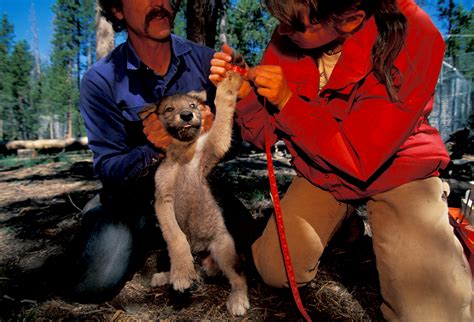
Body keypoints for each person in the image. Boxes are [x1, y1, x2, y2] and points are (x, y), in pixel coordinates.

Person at [210, 0, 473, 320]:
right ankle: (347, 225)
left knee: (431, 313)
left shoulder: (415, 33)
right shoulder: (288, 37)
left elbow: (361, 157)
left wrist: (288, 102)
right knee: (276, 271)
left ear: (350, 19)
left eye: (294, 25)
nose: (282, 31)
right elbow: (264, 136)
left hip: (398, 170)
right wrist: (245, 96)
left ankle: (440, 233)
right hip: (321, 171)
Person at [67, 0, 252, 303]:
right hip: (132, 199)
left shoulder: (206, 61)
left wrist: (231, 101)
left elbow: (242, 137)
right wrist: (154, 148)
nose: (160, 3)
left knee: (252, 250)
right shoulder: (100, 80)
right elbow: (108, 168)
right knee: (92, 284)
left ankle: (164, 244)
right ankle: (114, 223)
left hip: (195, 189)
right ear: (117, 10)